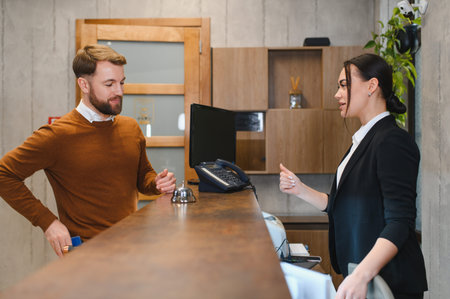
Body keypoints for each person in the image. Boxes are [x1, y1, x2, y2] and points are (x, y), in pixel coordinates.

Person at [0, 44, 176, 257]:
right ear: (84, 84)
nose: (119, 92)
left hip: (130, 246)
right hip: (83, 254)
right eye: (109, 84)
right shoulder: (57, 135)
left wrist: (157, 183)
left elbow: (143, 178)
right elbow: (4, 174)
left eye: (121, 83)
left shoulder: (131, 128)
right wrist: (48, 223)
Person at [280, 53, 427, 299]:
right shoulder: (363, 140)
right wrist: (300, 189)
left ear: (372, 86)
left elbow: (400, 222)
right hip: (362, 275)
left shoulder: (392, 141)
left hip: (387, 283)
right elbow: (342, 204)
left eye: (344, 85)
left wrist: (361, 275)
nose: (338, 94)